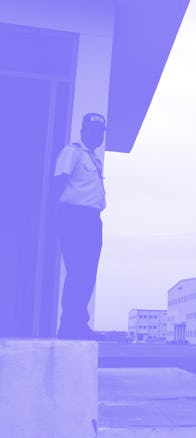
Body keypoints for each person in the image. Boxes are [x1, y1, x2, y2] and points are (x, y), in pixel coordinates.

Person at [53, 113, 107, 340]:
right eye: (92, 131)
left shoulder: (94, 159)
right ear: (83, 131)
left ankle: (77, 324)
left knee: (87, 274)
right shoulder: (72, 152)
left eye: (100, 132)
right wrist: (57, 216)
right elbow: (58, 182)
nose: (97, 135)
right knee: (77, 271)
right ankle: (69, 326)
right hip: (74, 217)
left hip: (92, 219)